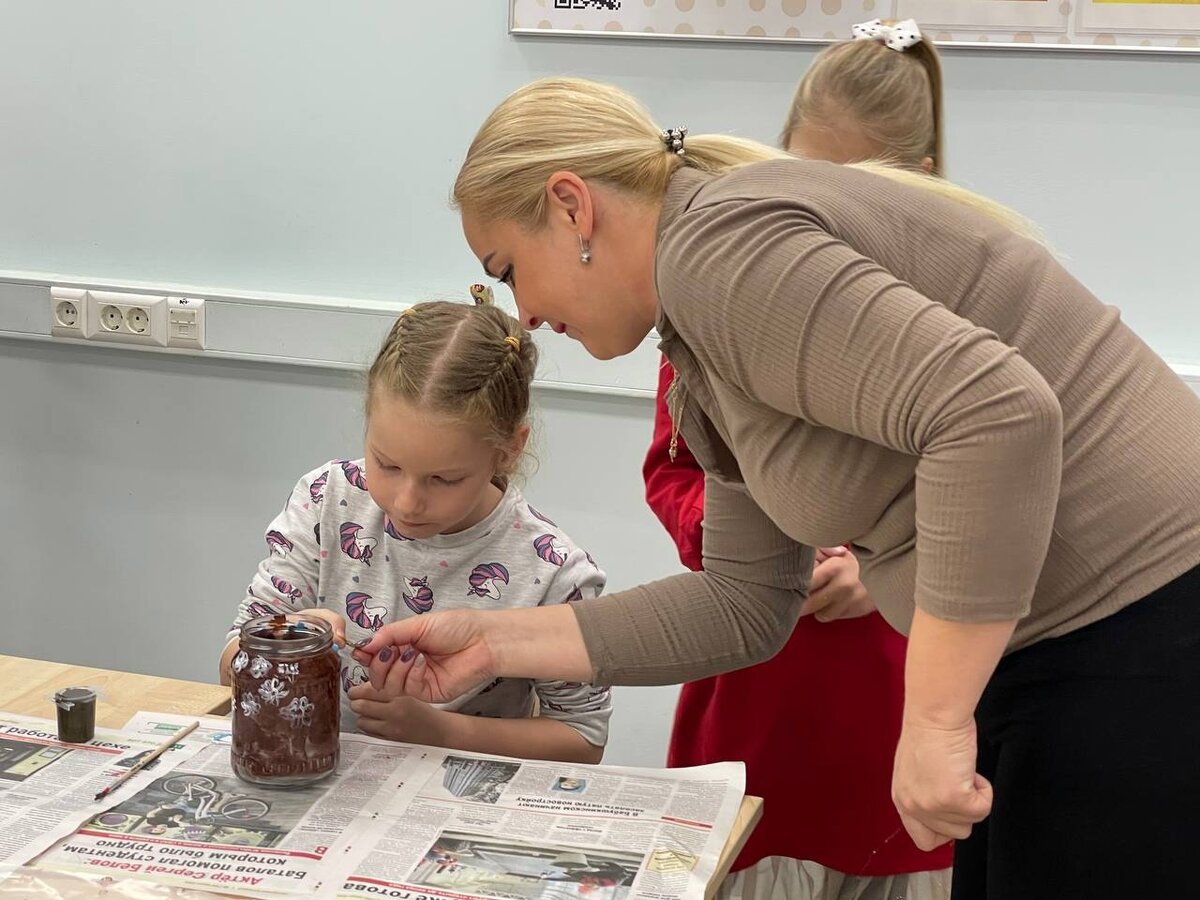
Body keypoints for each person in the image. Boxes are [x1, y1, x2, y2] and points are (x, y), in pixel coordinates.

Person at [357, 74, 1200, 899]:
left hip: (1139, 622)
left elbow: (998, 413)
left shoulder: (719, 254)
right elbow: (745, 601)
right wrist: (494, 641)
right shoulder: (698, 343)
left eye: (506, 268)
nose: (526, 314)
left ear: (573, 207)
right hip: (1070, 649)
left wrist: (935, 720)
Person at [643, 20, 951, 899]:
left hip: (892, 699)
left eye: (852, 183)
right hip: (752, 690)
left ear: (916, 183)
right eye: (801, 172)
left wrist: (886, 567)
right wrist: (747, 547)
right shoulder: (715, 294)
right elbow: (672, 470)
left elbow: (987, 497)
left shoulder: (952, 306)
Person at [221, 294, 611, 764]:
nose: (406, 502)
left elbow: (583, 739)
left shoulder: (552, 571)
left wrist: (442, 731)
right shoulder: (326, 499)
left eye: (444, 479)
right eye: (386, 464)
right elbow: (231, 661)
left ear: (508, 450)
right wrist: (282, 645)